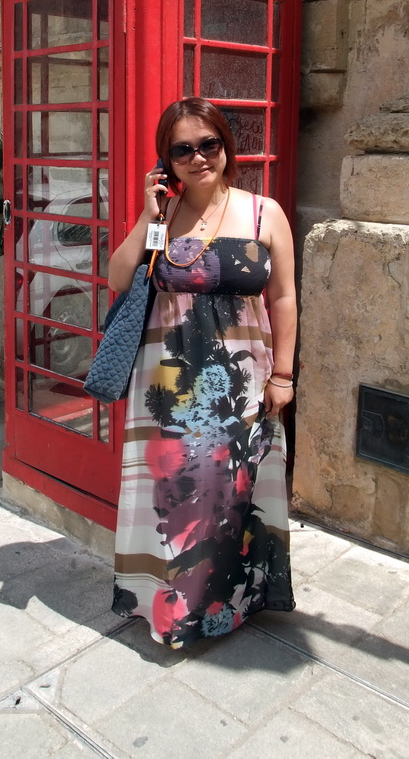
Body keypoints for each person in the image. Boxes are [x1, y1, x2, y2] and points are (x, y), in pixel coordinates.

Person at [108, 97, 297, 648]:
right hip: (168, 381)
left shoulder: (265, 213)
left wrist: (282, 375)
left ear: (225, 145)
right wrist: (147, 215)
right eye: (182, 149)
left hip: (241, 377)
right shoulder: (163, 215)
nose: (198, 158)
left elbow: (283, 296)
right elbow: (119, 278)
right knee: (178, 498)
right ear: (167, 160)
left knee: (236, 488)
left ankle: (235, 601)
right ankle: (176, 612)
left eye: (208, 144)